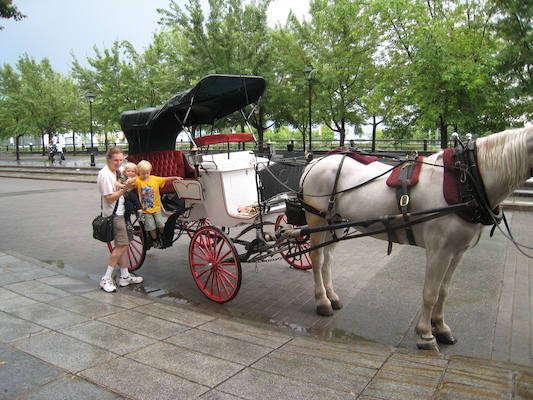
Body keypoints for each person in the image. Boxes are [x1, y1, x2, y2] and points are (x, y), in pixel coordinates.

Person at [96, 147, 144, 292]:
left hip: (122, 212)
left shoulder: (117, 170)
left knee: (125, 243)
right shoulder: (104, 175)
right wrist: (125, 189)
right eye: (115, 160)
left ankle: (124, 275)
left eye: (120, 160)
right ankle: (106, 278)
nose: (118, 163)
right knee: (121, 246)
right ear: (108, 159)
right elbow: (109, 198)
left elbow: (130, 171)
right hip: (114, 214)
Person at [134, 160, 182, 248]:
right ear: (139, 173)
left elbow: (164, 179)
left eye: (147, 173)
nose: (145, 175)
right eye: (143, 173)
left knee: (160, 223)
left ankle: (163, 236)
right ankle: (155, 239)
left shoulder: (154, 179)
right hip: (146, 209)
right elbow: (130, 183)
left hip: (156, 207)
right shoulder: (138, 180)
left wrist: (174, 177)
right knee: (151, 225)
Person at [115, 162, 144, 230]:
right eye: (128, 171)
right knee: (129, 207)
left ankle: (139, 210)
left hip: (132, 195)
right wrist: (122, 185)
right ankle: (127, 220)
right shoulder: (123, 178)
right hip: (125, 196)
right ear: (125, 172)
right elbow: (117, 182)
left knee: (133, 196)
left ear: (135, 173)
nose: (130, 173)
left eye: (133, 171)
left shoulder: (136, 178)